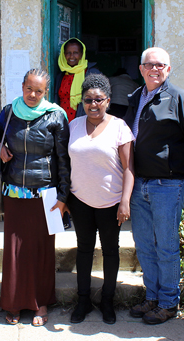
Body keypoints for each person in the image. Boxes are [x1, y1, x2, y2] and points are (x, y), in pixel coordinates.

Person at [123, 47, 184, 325]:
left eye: (160, 65)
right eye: (149, 65)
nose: (155, 69)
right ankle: (153, 297)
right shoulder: (136, 98)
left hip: (167, 185)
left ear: (168, 70)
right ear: (141, 69)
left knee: (167, 246)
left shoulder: (179, 99)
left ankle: (169, 302)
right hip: (139, 184)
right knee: (145, 244)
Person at [0, 68, 70, 327]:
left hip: (47, 194)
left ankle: (41, 302)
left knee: (42, 250)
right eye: (29, 88)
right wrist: (0, 148)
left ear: (46, 92)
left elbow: (64, 159)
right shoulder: (8, 112)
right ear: (22, 86)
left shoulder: (56, 115)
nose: (32, 94)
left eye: (39, 91)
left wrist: (63, 197)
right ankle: (14, 303)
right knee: (15, 250)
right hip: (15, 190)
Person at [67, 74, 134, 325]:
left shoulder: (119, 127)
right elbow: (65, 164)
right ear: (82, 101)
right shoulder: (74, 126)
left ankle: (108, 301)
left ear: (108, 100)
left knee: (110, 251)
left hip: (111, 203)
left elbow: (129, 168)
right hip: (80, 201)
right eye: (88, 100)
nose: (93, 105)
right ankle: (82, 300)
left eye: (98, 100)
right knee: (84, 250)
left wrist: (125, 201)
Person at [55, 37, 101, 122]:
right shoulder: (61, 75)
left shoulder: (92, 74)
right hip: (62, 122)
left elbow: (100, 101)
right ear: (64, 54)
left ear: (81, 54)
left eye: (75, 53)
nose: (71, 56)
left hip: (84, 122)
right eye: (68, 53)